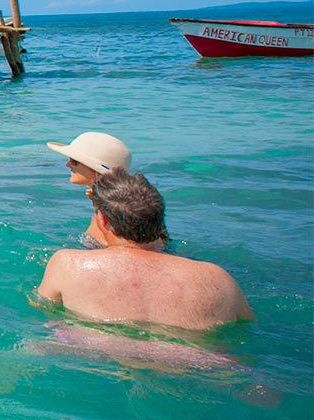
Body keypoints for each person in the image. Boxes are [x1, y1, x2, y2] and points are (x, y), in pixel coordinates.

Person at [37, 171, 251, 330]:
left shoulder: (67, 264)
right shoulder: (218, 278)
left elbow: (43, 312)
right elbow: (248, 327)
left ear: (102, 219)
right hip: (201, 364)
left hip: (96, 354)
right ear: (159, 219)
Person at [46, 131, 131, 187]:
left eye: (74, 161)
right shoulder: (113, 204)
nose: (67, 164)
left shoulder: (109, 210)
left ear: (97, 171)